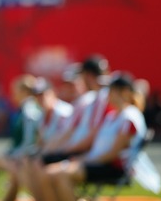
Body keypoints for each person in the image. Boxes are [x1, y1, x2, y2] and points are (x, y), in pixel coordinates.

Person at [42, 73, 150, 201]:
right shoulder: (112, 116)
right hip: (99, 163)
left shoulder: (130, 117)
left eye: (111, 90)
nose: (107, 93)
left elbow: (112, 154)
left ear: (124, 92)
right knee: (49, 173)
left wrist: (83, 161)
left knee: (59, 175)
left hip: (112, 167)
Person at [0, 74, 41, 201]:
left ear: (23, 92)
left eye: (15, 91)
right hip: (21, 155)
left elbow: (30, 141)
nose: (13, 95)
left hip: (23, 157)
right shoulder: (26, 108)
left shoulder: (29, 111)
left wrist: (14, 156)